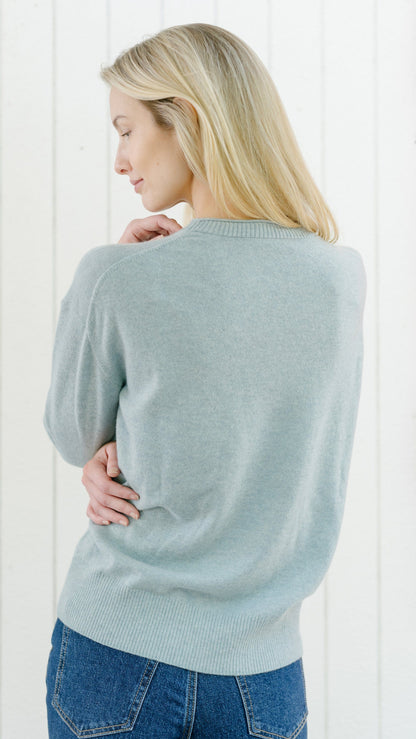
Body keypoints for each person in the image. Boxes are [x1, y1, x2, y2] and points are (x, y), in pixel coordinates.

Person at [43, 22, 366, 738]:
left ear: (187, 118)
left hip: (114, 653)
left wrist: (110, 279)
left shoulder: (120, 276)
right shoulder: (339, 279)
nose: (119, 160)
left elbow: (73, 432)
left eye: (126, 130)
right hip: (265, 677)